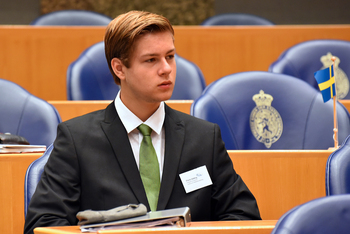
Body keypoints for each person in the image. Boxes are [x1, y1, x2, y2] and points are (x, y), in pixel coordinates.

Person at [24, 10, 261, 234]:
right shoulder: (76, 139)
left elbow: (244, 217)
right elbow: (43, 224)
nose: (166, 69)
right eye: (151, 60)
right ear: (119, 68)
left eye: (170, 56)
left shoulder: (203, 137)